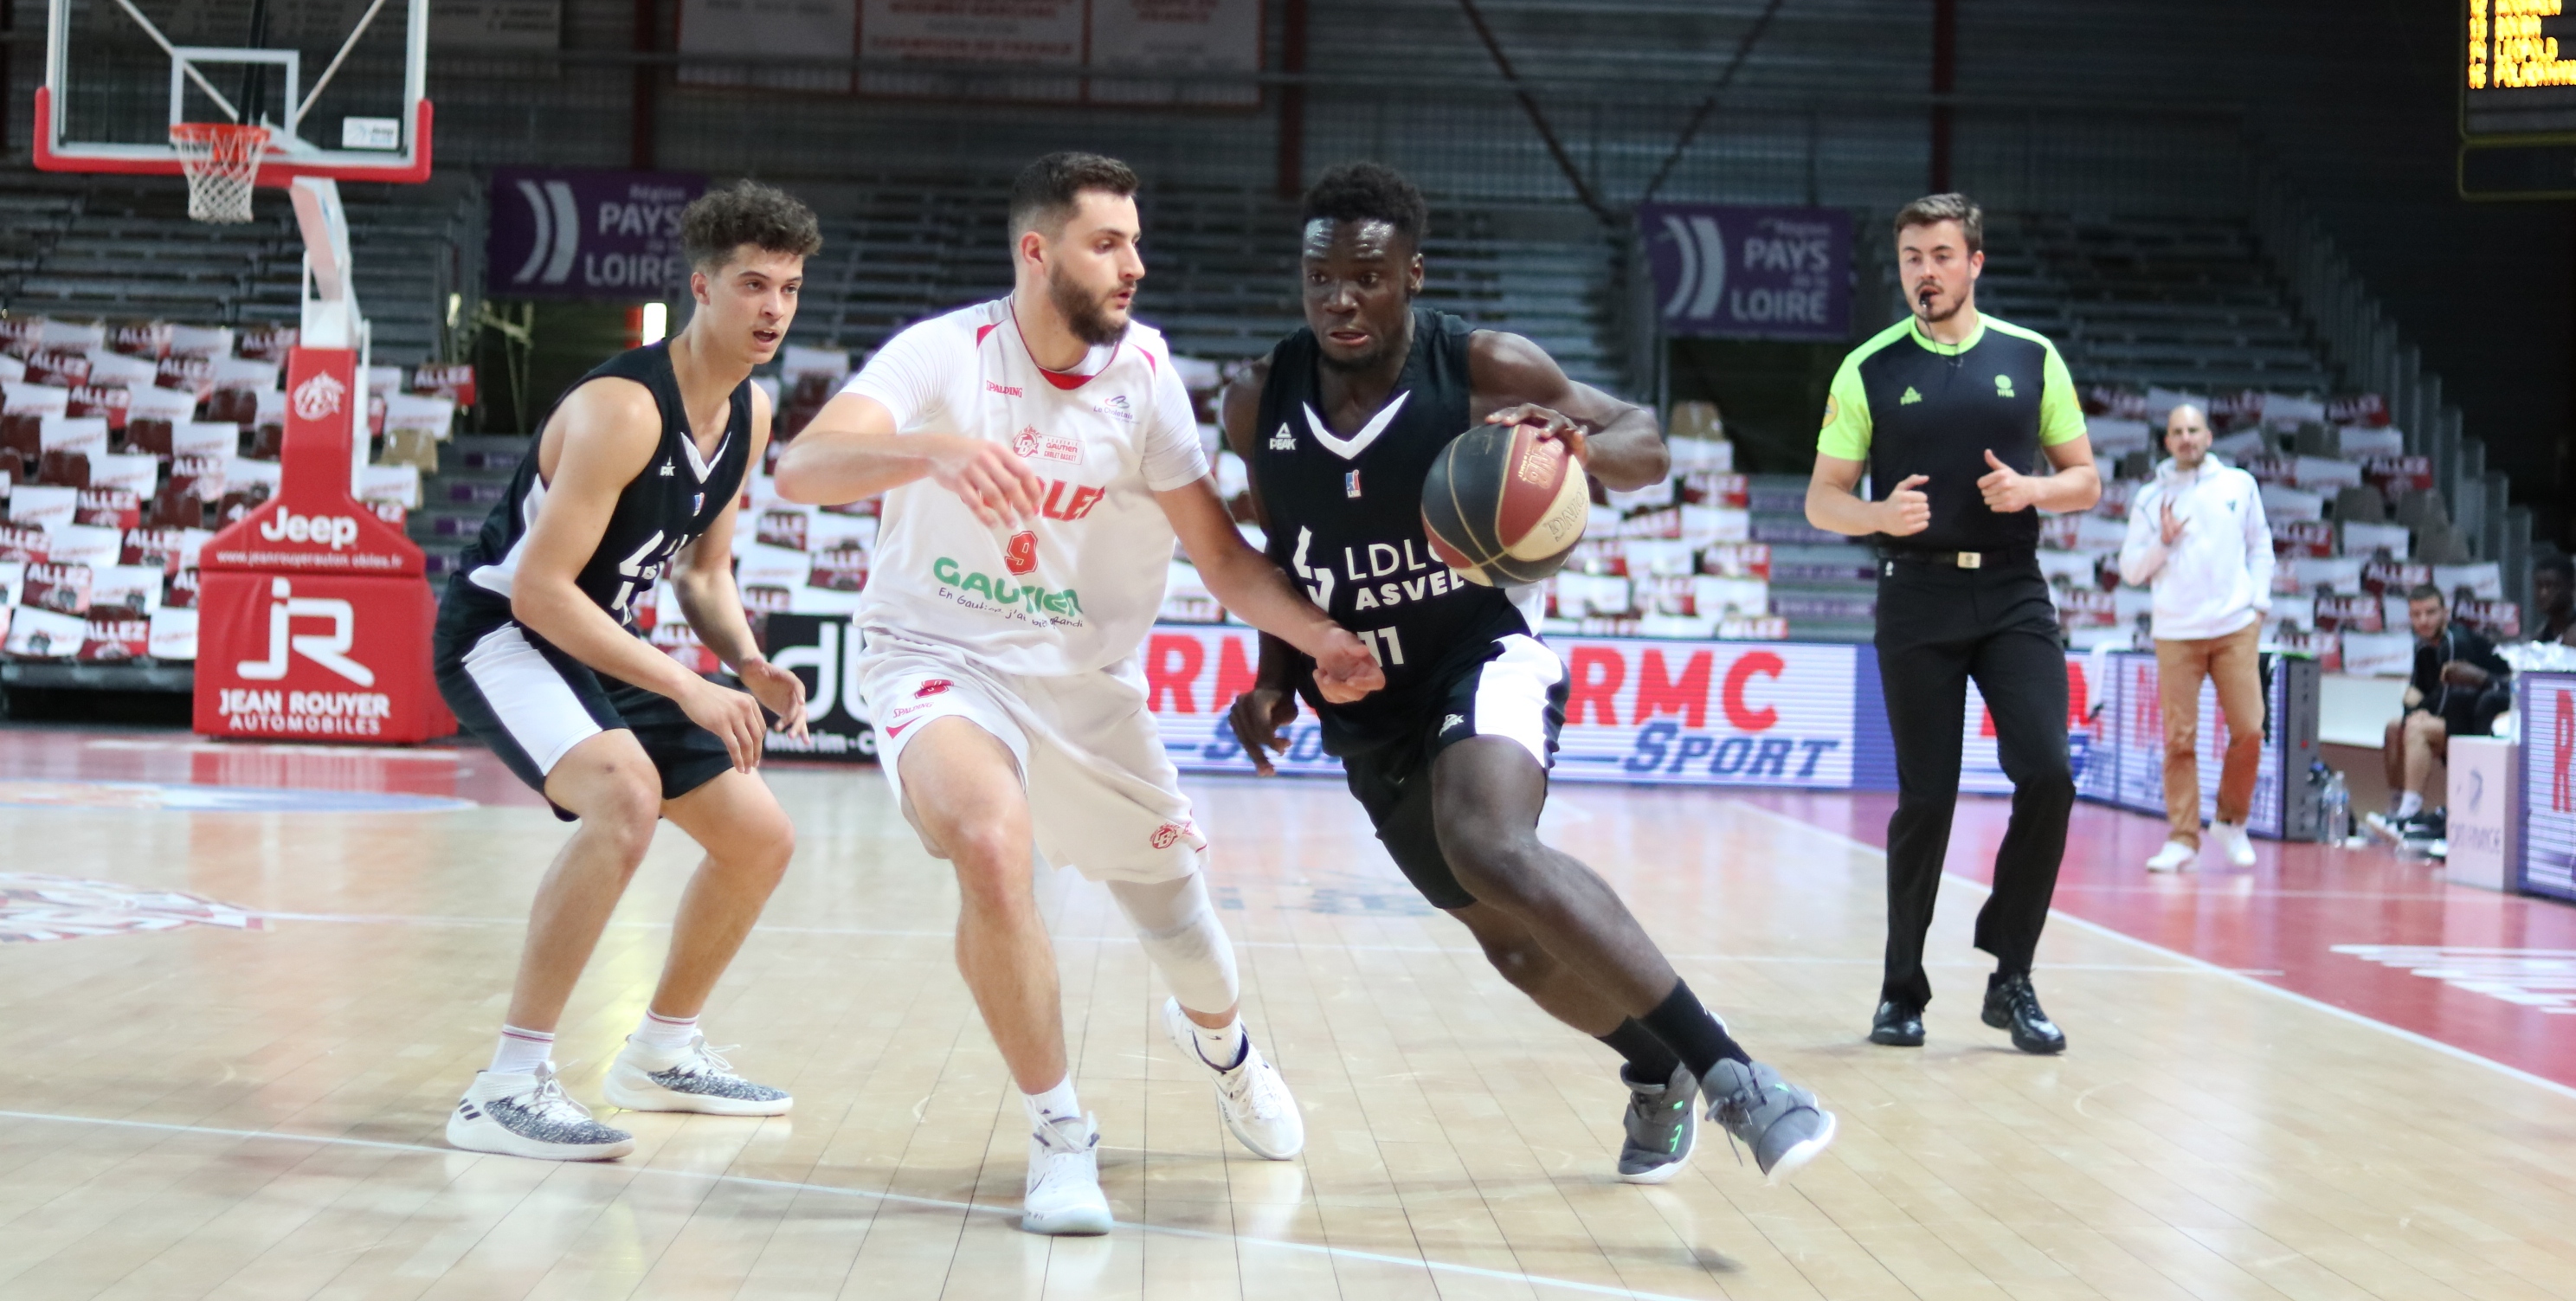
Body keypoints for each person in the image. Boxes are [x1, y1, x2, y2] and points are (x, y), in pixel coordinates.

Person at [774, 151, 1385, 1238]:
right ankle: (1060, 1133)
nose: (1134, 265)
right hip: (936, 655)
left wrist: (1321, 636)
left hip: (1087, 689)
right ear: (1037, 251)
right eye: (1109, 243)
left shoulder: (1146, 377)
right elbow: (803, 469)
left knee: (1188, 937)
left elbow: (1225, 558)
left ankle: (1228, 1051)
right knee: (991, 844)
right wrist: (931, 452)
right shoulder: (943, 355)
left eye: (1136, 244)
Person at [1220, 162, 1836, 1186]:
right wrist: (1273, 676)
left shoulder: (1484, 365)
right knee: (1509, 946)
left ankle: (1736, 1075)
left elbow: (1647, 442)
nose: (1339, 298)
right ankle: (1657, 1068)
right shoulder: (1259, 403)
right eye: (1320, 276)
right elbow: (1287, 557)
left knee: (1489, 842)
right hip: (1367, 708)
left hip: (1481, 652)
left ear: (1413, 274)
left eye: (1366, 277)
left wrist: (1576, 443)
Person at [433, 181, 819, 1161]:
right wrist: (689, 684)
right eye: (752, 284)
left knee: (760, 837)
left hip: (602, 640)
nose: (773, 307)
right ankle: (505, 1084)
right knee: (623, 793)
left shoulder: (750, 413)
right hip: (505, 631)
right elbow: (539, 593)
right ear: (702, 286)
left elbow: (704, 571)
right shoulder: (619, 409)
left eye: (789, 287)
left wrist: (745, 661)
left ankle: (660, 1053)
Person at [1803, 192, 2099, 1056]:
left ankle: (2012, 975)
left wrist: (2034, 490)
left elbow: (2084, 478)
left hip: (2013, 592)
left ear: (1975, 262)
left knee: (2047, 771)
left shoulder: (2031, 357)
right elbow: (1823, 498)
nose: (1924, 272)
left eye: (1940, 254)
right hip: (1917, 598)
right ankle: (1902, 990)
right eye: (1910, 258)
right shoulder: (1867, 367)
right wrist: (1877, 516)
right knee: (1926, 800)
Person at [2117, 403, 2274, 873]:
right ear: (2166, 442)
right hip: (2176, 631)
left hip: (2234, 627)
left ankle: (2231, 820)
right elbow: (2129, 570)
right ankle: (2183, 838)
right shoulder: (2149, 498)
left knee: (2250, 729)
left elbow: (2260, 546)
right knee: (2179, 739)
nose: (2186, 438)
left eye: (2194, 429)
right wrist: (2162, 543)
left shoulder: (2239, 485)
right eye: (2176, 431)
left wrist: (2258, 605)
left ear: (2209, 436)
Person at [2375, 584, 2513, 840]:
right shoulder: (2423, 648)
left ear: (2445, 613)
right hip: (2455, 721)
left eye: (2430, 612)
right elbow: (2412, 699)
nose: (2424, 620)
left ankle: (2409, 815)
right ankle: (2395, 810)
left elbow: (2445, 701)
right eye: (2416, 614)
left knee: (2417, 729)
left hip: (2483, 725)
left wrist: (2419, 711)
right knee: (2395, 728)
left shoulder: (2455, 642)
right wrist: (2415, 712)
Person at [2530, 551, 2573, 643]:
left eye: (2550, 585)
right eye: (2539, 586)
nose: (2543, 593)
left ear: (2570, 587)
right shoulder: (2540, 637)